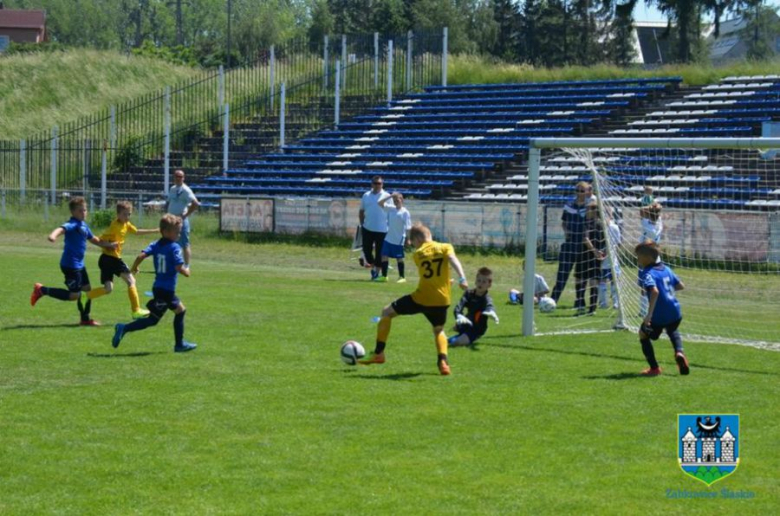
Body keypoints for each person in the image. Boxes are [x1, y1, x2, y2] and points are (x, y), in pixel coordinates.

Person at [359, 223, 468, 375]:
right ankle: (443, 361)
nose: (413, 246)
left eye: (413, 242)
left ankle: (378, 353)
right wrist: (462, 278)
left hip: (421, 298)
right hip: (442, 300)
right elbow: (451, 259)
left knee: (387, 312)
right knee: (438, 330)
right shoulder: (445, 247)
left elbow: (429, 273)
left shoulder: (418, 254)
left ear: (417, 239)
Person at [111, 214, 196, 353]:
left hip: (158, 288)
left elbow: (141, 255)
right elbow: (178, 267)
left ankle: (179, 344)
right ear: (166, 232)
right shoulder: (174, 247)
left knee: (179, 311)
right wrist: (186, 271)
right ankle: (124, 328)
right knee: (153, 320)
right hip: (167, 291)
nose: (179, 234)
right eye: (177, 232)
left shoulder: (155, 244)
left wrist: (134, 267)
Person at [30, 197, 117, 325]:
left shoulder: (84, 225)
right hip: (70, 265)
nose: (84, 213)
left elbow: (94, 240)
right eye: (80, 211)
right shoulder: (73, 224)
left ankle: (85, 319)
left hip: (79, 265)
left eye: (85, 210)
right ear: (73, 212)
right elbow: (61, 229)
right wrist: (53, 236)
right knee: (74, 295)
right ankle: (42, 290)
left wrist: (109, 245)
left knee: (87, 290)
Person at [85, 200, 159, 319]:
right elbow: (99, 240)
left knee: (108, 289)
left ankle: (86, 296)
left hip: (105, 259)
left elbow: (137, 231)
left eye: (129, 214)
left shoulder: (126, 224)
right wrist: (110, 245)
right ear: (118, 214)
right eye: (125, 214)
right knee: (131, 281)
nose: (127, 216)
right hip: (112, 259)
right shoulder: (114, 227)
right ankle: (136, 311)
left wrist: (155, 230)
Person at [635, 241, 689, 376]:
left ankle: (654, 369)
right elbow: (681, 285)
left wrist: (649, 315)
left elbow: (654, 291)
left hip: (659, 315)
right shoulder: (667, 269)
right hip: (675, 312)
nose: (638, 260)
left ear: (647, 258)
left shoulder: (647, 273)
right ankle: (679, 352)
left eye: (639, 257)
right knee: (672, 330)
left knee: (643, 335)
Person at [551, 182, 591, 304]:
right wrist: (567, 231)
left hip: (584, 246)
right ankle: (553, 300)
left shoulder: (590, 206)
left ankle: (579, 301)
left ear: (587, 192)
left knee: (581, 276)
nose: (579, 193)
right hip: (569, 244)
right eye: (577, 190)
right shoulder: (569, 206)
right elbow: (564, 222)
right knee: (562, 273)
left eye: (582, 191)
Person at [449, 267, 499, 347]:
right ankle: (459, 331)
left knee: (456, 343)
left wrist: (491, 311)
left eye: (484, 282)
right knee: (447, 341)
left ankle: (463, 337)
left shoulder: (486, 298)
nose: (480, 283)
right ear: (475, 281)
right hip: (466, 324)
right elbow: (459, 306)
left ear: (489, 285)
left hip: (477, 329)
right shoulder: (469, 294)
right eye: (479, 280)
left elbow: (489, 305)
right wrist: (458, 315)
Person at [574, 201, 605, 316]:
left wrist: (595, 251)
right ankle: (592, 308)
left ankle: (582, 305)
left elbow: (585, 239)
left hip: (585, 255)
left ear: (594, 211)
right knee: (592, 281)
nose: (586, 211)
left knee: (582, 280)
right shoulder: (602, 224)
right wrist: (602, 252)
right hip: (595, 256)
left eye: (588, 209)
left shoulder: (587, 223)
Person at [375, 191, 412, 283]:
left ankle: (402, 277)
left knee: (399, 258)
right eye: (394, 200)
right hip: (388, 238)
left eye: (397, 199)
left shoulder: (405, 212)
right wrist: (390, 196)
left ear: (402, 200)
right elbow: (379, 203)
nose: (396, 201)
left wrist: (408, 239)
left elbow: (408, 227)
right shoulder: (391, 209)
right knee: (384, 255)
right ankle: (384, 276)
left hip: (398, 239)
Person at [166, 169, 200, 267]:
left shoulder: (186, 190)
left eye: (180, 176)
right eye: (177, 176)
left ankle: (186, 266)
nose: (178, 178)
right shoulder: (172, 188)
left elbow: (195, 203)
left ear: (184, 178)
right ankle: (173, 263)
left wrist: (185, 215)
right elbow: (169, 201)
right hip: (171, 220)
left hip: (181, 221)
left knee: (185, 243)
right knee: (171, 242)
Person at [359, 175, 388, 280]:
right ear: (372, 184)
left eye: (379, 183)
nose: (377, 185)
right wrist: (362, 224)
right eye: (375, 183)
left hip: (382, 229)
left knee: (380, 252)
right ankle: (372, 266)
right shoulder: (366, 195)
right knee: (367, 250)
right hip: (368, 228)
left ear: (382, 184)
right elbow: (361, 211)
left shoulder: (386, 196)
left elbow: (391, 212)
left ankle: (376, 272)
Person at [599, 208, 621, 310]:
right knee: (603, 281)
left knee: (614, 281)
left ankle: (615, 302)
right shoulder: (600, 227)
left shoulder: (614, 227)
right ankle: (603, 303)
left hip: (612, 260)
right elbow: (618, 244)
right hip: (603, 260)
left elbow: (617, 244)